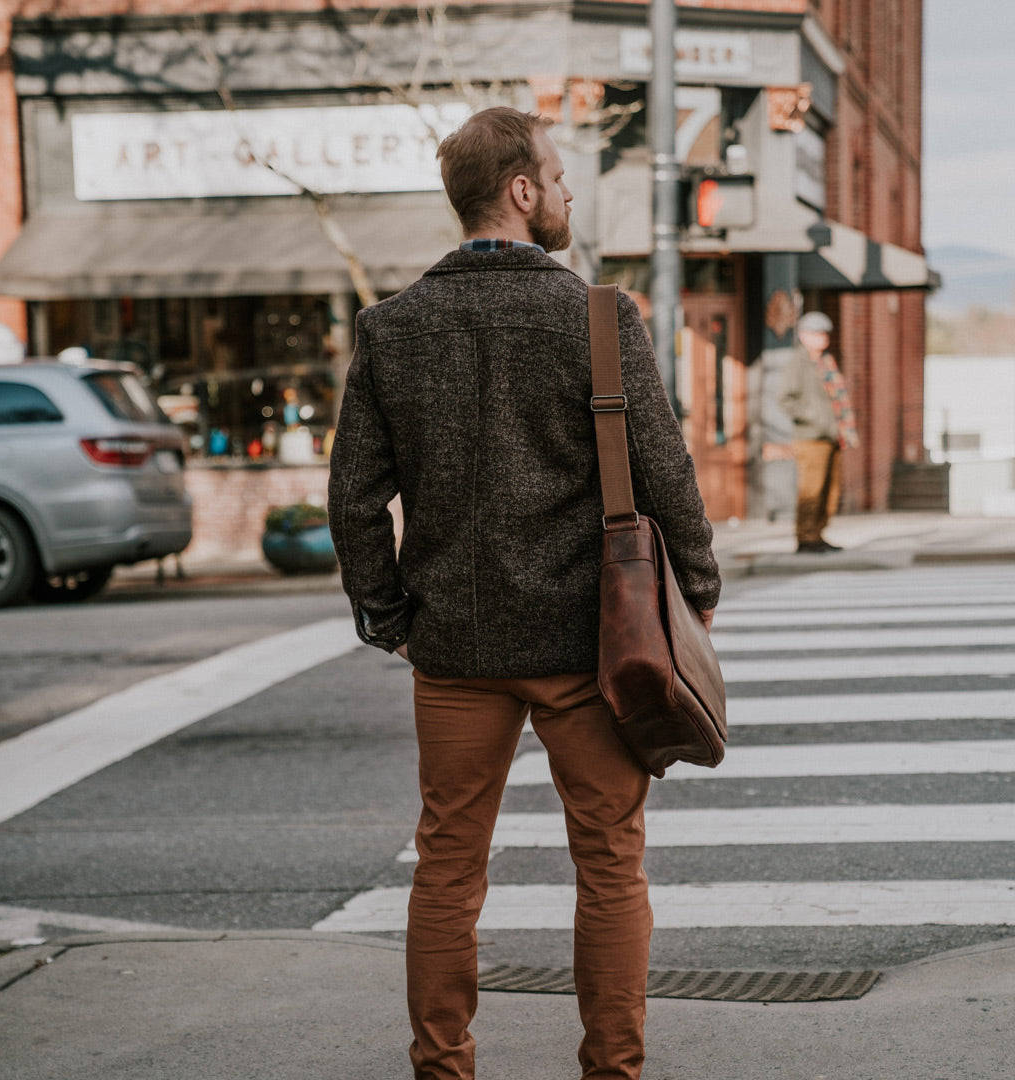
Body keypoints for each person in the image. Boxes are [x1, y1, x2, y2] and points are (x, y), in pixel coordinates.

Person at [327, 106, 721, 1080]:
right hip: (592, 650)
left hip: (456, 656)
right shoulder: (596, 317)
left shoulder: (391, 328)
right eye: (560, 172)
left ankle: (444, 1068)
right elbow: (667, 480)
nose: (570, 190)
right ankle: (612, 1070)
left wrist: (391, 618)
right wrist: (697, 597)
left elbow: (354, 502)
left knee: (449, 873)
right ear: (521, 189)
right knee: (610, 864)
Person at [777, 310, 859, 553]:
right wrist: (813, 417)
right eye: (817, 333)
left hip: (832, 436)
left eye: (825, 333)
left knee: (829, 491)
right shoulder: (798, 362)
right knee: (811, 491)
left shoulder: (826, 362)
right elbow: (784, 398)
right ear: (804, 336)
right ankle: (805, 538)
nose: (823, 338)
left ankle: (819, 533)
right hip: (810, 438)